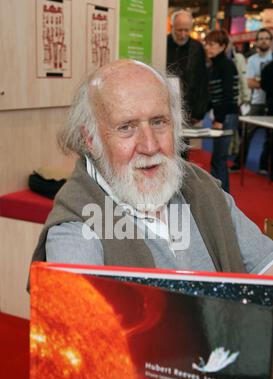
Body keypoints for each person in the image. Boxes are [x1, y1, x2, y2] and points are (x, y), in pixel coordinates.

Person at [31, 59, 273, 276]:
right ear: (91, 140)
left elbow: (265, 264)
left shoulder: (200, 186)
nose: (149, 145)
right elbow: (79, 321)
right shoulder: (76, 225)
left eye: (159, 122)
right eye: (126, 127)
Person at [230, 28, 273, 172]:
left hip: (270, 103)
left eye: (267, 38)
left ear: (271, 41)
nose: (264, 41)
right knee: (247, 134)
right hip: (255, 102)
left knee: (270, 138)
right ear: (256, 41)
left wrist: (259, 81)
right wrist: (267, 83)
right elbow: (249, 83)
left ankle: (264, 166)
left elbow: (256, 81)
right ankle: (238, 163)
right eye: (261, 38)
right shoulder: (252, 60)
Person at [205, 30, 239, 193]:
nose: (208, 47)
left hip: (227, 116)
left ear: (223, 46)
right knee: (217, 158)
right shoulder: (215, 65)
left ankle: (223, 197)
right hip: (223, 115)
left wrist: (219, 119)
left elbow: (228, 96)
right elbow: (214, 97)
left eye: (212, 44)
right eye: (207, 44)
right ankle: (218, 195)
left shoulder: (226, 65)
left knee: (219, 158)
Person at [166, 9, 208, 123]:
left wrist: (199, 112)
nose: (183, 34)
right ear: (172, 27)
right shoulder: (164, 44)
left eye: (186, 30)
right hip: (166, 105)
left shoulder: (197, 48)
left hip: (189, 108)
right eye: (179, 30)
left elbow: (202, 80)